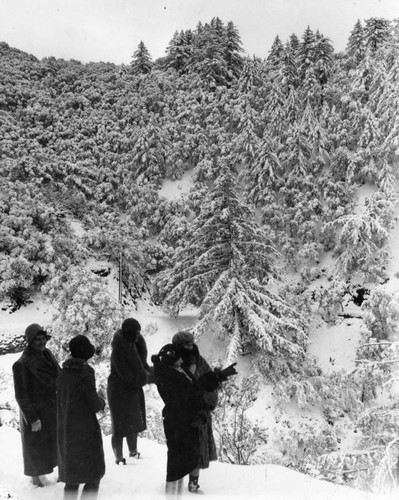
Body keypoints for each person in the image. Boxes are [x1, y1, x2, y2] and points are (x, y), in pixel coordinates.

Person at [152, 343, 237, 496]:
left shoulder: (176, 370)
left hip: (184, 421)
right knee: (176, 464)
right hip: (179, 423)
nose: (181, 361)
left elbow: (196, 386)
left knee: (182, 461)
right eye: (178, 358)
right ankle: (172, 496)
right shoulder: (169, 377)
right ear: (172, 360)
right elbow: (188, 396)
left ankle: (178, 492)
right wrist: (199, 411)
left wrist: (218, 376)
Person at [57, 334, 105, 500]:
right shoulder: (85, 374)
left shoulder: (63, 373)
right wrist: (102, 400)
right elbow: (94, 404)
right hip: (85, 432)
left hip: (66, 431)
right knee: (93, 477)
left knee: (72, 479)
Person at [12, 323, 60, 487]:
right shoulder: (21, 364)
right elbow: (21, 395)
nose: (41, 342)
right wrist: (33, 418)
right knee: (36, 446)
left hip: (51, 408)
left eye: (43, 338)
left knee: (53, 443)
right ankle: (36, 481)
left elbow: (58, 374)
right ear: (29, 342)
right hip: (36, 412)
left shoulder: (47, 354)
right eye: (36, 340)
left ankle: (50, 475)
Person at [171, 330, 219, 492]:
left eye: (192, 343)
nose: (191, 347)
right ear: (179, 346)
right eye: (186, 344)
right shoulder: (173, 364)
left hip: (200, 414)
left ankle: (193, 483)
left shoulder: (200, 362)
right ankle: (175, 485)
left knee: (198, 450)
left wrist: (206, 403)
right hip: (180, 415)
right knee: (180, 452)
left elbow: (211, 384)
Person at [107, 317, 153, 464]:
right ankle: (119, 457)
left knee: (133, 421)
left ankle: (133, 452)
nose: (138, 335)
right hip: (118, 390)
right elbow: (125, 374)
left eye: (139, 332)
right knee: (119, 425)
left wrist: (153, 373)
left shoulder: (136, 345)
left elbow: (142, 367)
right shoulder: (118, 351)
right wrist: (146, 378)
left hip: (132, 389)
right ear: (128, 333)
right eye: (135, 332)